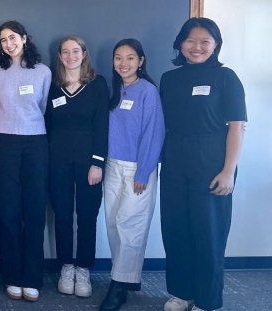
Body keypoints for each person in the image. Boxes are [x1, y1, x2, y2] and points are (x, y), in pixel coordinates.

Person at [159, 18, 246, 311]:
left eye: (205, 41)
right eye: (190, 40)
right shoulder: (169, 79)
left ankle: (207, 301)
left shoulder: (226, 78)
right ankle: (181, 293)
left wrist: (228, 170)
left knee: (208, 232)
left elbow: (237, 127)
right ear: (180, 44)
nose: (196, 47)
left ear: (215, 45)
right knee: (176, 228)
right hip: (174, 160)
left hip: (212, 161)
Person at [0, 21, 51, 301]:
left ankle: (32, 277)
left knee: (35, 213)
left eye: (13, 38)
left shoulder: (43, 71)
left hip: (36, 142)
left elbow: (44, 107)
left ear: (24, 38)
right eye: (3, 40)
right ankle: (12, 275)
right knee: (9, 212)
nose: (8, 44)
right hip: (4, 143)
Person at [99, 38, 165, 311]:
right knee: (113, 224)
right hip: (111, 166)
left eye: (129, 58)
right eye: (118, 58)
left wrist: (144, 170)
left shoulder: (147, 91)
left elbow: (154, 132)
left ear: (141, 61)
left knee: (131, 226)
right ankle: (126, 279)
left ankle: (117, 287)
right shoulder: (114, 89)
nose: (123, 63)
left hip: (138, 169)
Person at [44, 35, 109, 299]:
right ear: (59, 56)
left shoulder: (97, 84)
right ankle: (66, 266)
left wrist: (97, 162)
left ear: (84, 54)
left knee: (86, 215)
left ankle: (83, 268)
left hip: (88, 162)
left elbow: (102, 125)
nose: (71, 56)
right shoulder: (52, 85)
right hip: (56, 161)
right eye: (65, 52)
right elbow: (46, 124)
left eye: (75, 51)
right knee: (61, 215)